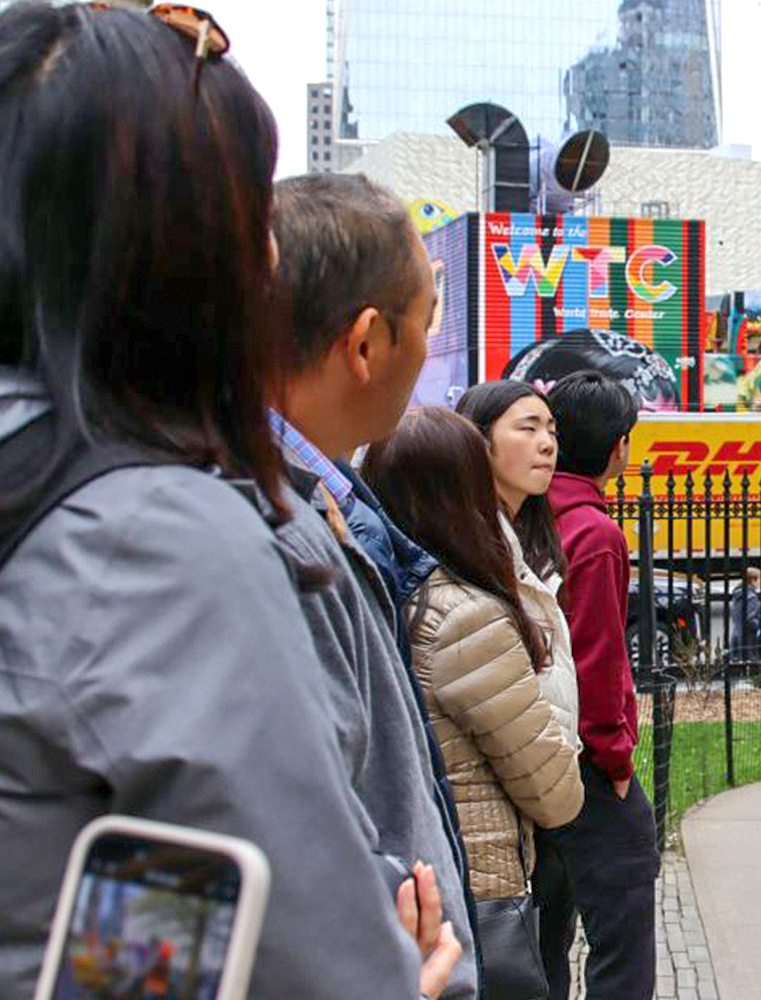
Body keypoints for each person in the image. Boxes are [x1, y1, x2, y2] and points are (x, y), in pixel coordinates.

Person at [0, 4, 446, 998]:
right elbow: (308, 959)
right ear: (180, 249)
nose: (272, 262)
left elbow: (119, 908)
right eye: (250, 215)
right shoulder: (158, 543)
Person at [268, 172, 479, 1000]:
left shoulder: (323, 500)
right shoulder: (273, 532)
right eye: (428, 318)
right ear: (366, 345)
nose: (429, 347)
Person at [363, 408, 584, 901]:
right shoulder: (466, 618)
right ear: (469, 493)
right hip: (475, 885)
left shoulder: (373, 590)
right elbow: (555, 794)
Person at [541, 371, 659, 1000]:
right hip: (586, 760)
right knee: (623, 929)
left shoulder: (530, 512)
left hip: (530, 749)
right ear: (618, 448)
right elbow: (598, 656)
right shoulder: (594, 532)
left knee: (546, 926)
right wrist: (615, 758)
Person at [455, 379, 582, 747]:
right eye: (528, 428)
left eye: (552, 431)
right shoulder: (466, 548)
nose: (547, 444)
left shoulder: (533, 544)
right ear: (478, 441)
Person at [729, 567, 761, 662]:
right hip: (748, 638)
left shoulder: (738, 594)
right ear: (753, 580)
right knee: (750, 664)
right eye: (760, 578)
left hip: (737, 635)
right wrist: (760, 626)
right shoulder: (751, 597)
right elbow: (750, 618)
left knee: (737, 664)